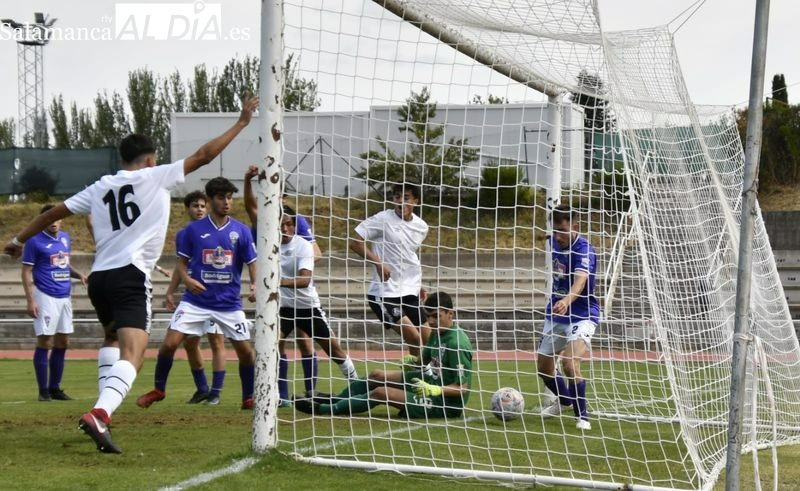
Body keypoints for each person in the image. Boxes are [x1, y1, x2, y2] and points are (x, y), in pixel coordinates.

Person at [3, 95, 258, 454]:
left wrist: (17, 240)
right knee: (135, 353)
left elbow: (50, 215)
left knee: (111, 342)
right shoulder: (155, 176)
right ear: (150, 159)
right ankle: (100, 412)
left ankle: (105, 410)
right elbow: (203, 155)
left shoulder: (100, 185)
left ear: (122, 158)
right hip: (129, 276)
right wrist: (242, 122)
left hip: (100, 278)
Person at [136, 176, 257, 412]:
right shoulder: (192, 231)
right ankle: (159, 390)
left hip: (228, 303)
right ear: (211, 200)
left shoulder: (241, 231)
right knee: (169, 345)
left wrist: (254, 285)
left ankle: (248, 397)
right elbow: (181, 264)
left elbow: (252, 262)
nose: (227, 202)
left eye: (230, 198)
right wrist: (188, 279)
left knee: (245, 352)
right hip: (196, 302)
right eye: (221, 197)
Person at [294, 291, 472, 418]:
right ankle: (337, 399)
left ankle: (323, 410)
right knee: (376, 375)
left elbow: (461, 388)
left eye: (436, 316)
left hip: (444, 403)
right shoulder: (436, 333)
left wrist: (435, 390)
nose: (431, 321)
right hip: (427, 384)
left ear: (450, 314)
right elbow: (422, 362)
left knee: (381, 392)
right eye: (428, 316)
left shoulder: (457, 343)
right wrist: (414, 363)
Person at [243, 165, 321, 404]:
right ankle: (283, 395)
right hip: (275, 294)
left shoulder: (296, 221)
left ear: (284, 197)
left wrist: (290, 267)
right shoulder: (264, 221)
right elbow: (250, 207)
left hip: (295, 289)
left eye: (278, 193)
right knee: (277, 342)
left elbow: (316, 253)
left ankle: (311, 391)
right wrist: (248, 181)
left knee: (305, 340)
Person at [278, 205, 359, 397]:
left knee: (335, 350)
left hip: (307, 308)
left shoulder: (303, 246)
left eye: (288, 224)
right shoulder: (266, 246)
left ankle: (357, 386)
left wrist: (277, 282)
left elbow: (305, 280)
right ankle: (273, 394)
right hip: (282, 308)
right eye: (280, 225)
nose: (284, 229)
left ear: (294, 225)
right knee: (268, 347)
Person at [349, 182, 430, 359]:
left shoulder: (422, 227)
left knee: (428, 337)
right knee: (414, 338)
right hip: (384, 292)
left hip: (409, 289)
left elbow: (406, 256)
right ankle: (417, 378)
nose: (401, 201)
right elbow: (355, 242)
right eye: (397, 197)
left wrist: (417, 285)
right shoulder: (383, 219)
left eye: (406, 198)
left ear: (416, 201)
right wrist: (378, 263)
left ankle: (429, 376)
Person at [537, 205, 599, 431]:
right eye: (555, 231)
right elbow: (551, 236)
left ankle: (582, 416)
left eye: (563, 231)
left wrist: (566, 301)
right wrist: (548, 235)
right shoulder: (554, 240)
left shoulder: (584, 250)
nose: (558, 236)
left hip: (582, 314)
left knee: (569, 364)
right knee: (544, 367)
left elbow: (580, 282)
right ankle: (564, 400)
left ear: (575, 227)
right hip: (556, 314)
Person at [163, 190, 228, 405]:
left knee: (216, 341)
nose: (199, 209)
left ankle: (216, 393)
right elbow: (180, 266)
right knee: (189, 342)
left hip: (216, 295)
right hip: (193, 296)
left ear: (207, 207)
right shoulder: (184, 234)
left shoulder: (220, 230)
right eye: (194, 206)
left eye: (202, 205)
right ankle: (202, 388)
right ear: (187, 209)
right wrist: (171, 291)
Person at [21, 204, 87, 402]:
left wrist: (78, 275)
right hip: (45, 295)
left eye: (57, 218)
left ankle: (55, 388)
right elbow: (25, 272)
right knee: (46, 341)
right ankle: (43, 391)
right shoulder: (33, 241)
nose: (54, 222)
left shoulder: (65, 238)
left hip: (64, 295)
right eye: (49, 219)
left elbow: (63, 264)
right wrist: (30, 300)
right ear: (44, 221)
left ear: (61, 220)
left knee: (63, 341)